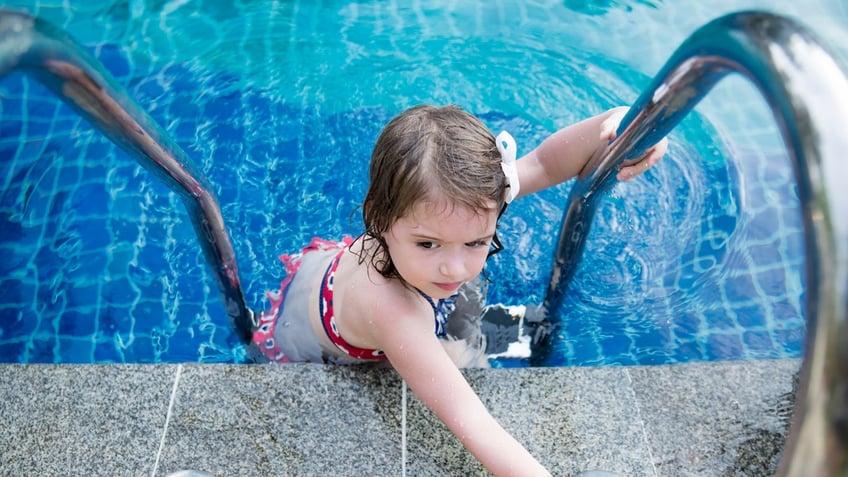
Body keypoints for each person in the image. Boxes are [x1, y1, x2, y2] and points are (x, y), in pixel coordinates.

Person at [251, 104, 667, 476]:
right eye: (428, 243)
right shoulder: (395, 311)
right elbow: (473, 422)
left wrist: (617, 124)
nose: (455, 266)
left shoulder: (445, 210)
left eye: (476, 242)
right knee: (462, 358)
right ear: (378, 217)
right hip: (310, 341)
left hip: (329, 270)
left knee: (463, 292)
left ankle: (484, 321)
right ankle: (491, 338)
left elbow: (544, 161)